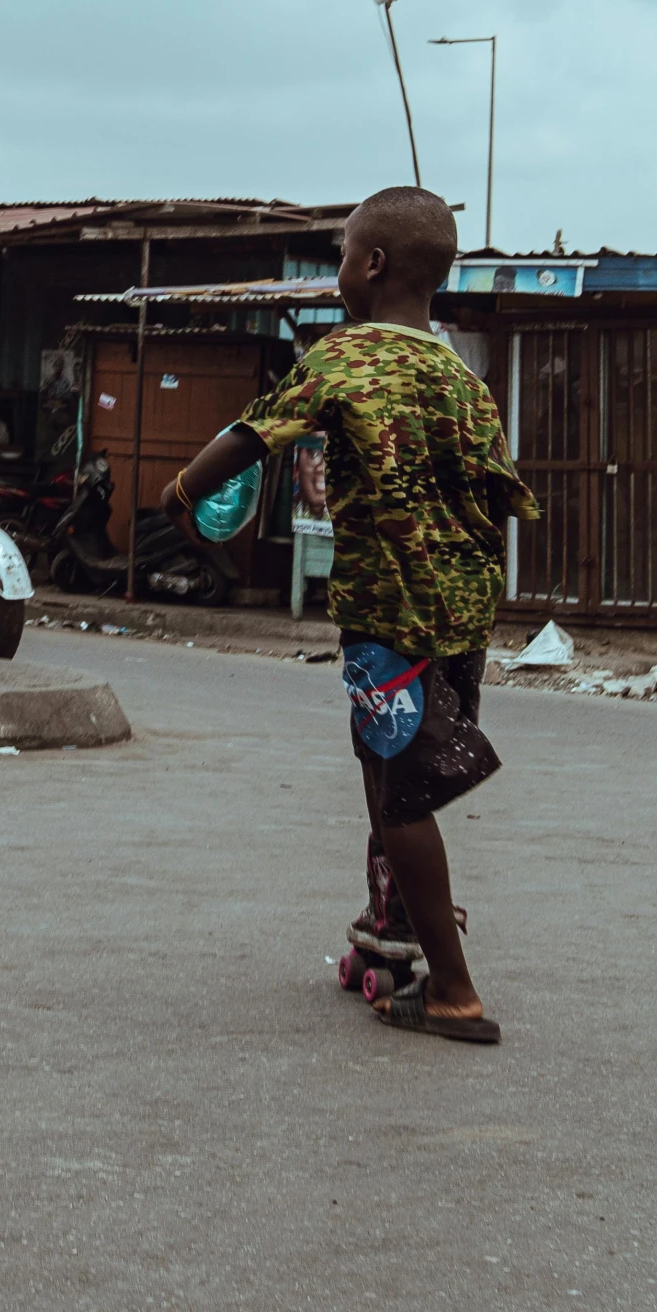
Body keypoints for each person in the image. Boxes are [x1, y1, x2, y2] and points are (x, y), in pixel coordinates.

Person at [162, 185, 536, 1044]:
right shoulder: (462, 379)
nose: (336, 269)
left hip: (389, 611)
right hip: (463, 612)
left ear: (371, 265)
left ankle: (454, 989)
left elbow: (255, 434)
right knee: (390, 771)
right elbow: (498, 492)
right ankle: (398, 927)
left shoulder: (345, 357)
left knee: (398, 793)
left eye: (339, 253)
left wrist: (179, 492)